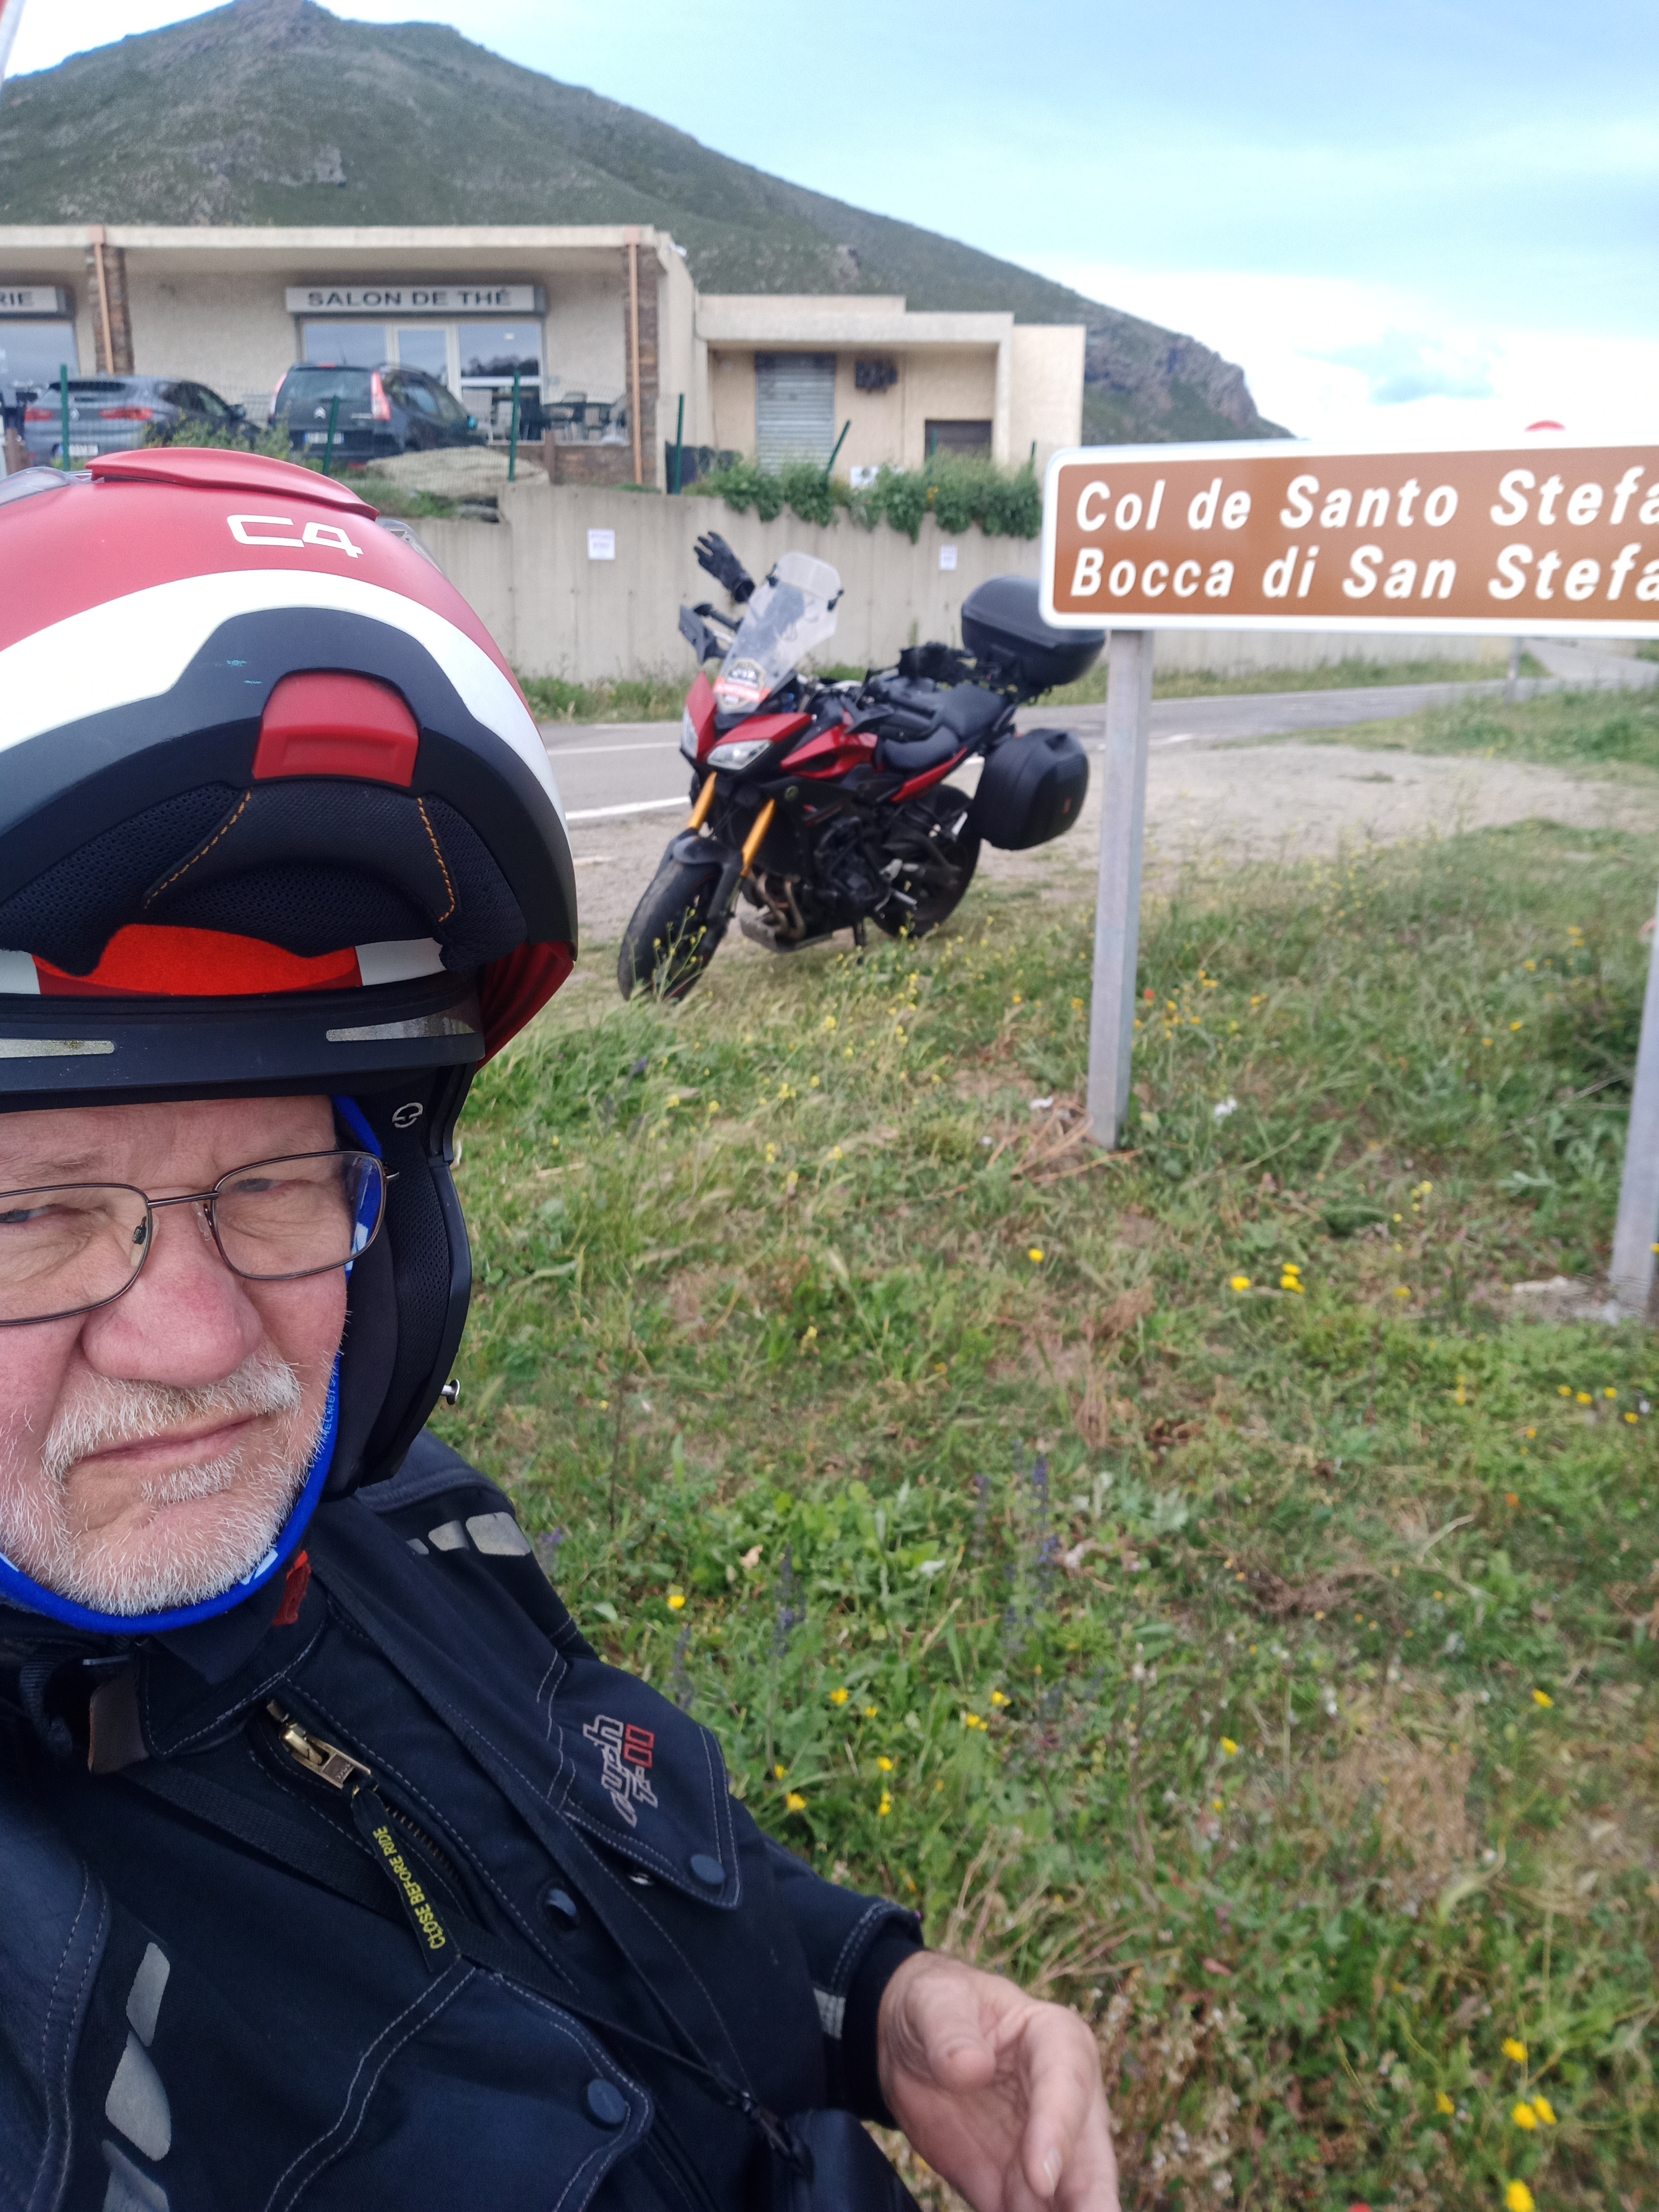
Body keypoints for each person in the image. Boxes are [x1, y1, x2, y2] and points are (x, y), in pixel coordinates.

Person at [0, 448, 1119, 2212]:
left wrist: (876, 2006)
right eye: (36, 1217)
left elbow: (608, 1851)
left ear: (397, 1242)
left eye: (274, 1185)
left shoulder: (409, 1526)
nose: (200, 1338)